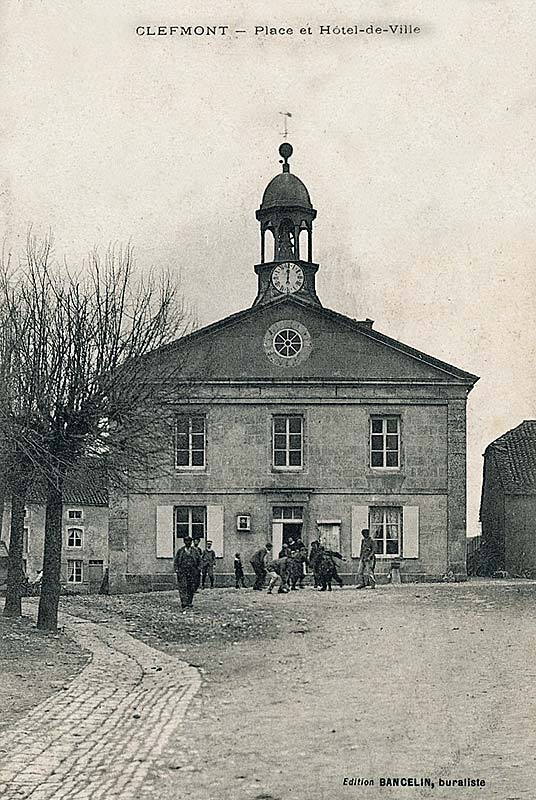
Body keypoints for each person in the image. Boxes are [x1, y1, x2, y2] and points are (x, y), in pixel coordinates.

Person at [174, 536, 202, 611]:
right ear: (184, 542)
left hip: (192, 572)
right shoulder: (180, 551)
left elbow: (199, 561)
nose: (188, 542)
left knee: (191, 587)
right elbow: (176, 561)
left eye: (189, 541)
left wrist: (198, 569)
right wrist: (176, 569)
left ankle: (189, 602)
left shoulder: (195, 551)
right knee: (183, 587)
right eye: (186, 541)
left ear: (191, 542)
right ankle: (184, 602)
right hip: (182, 572)